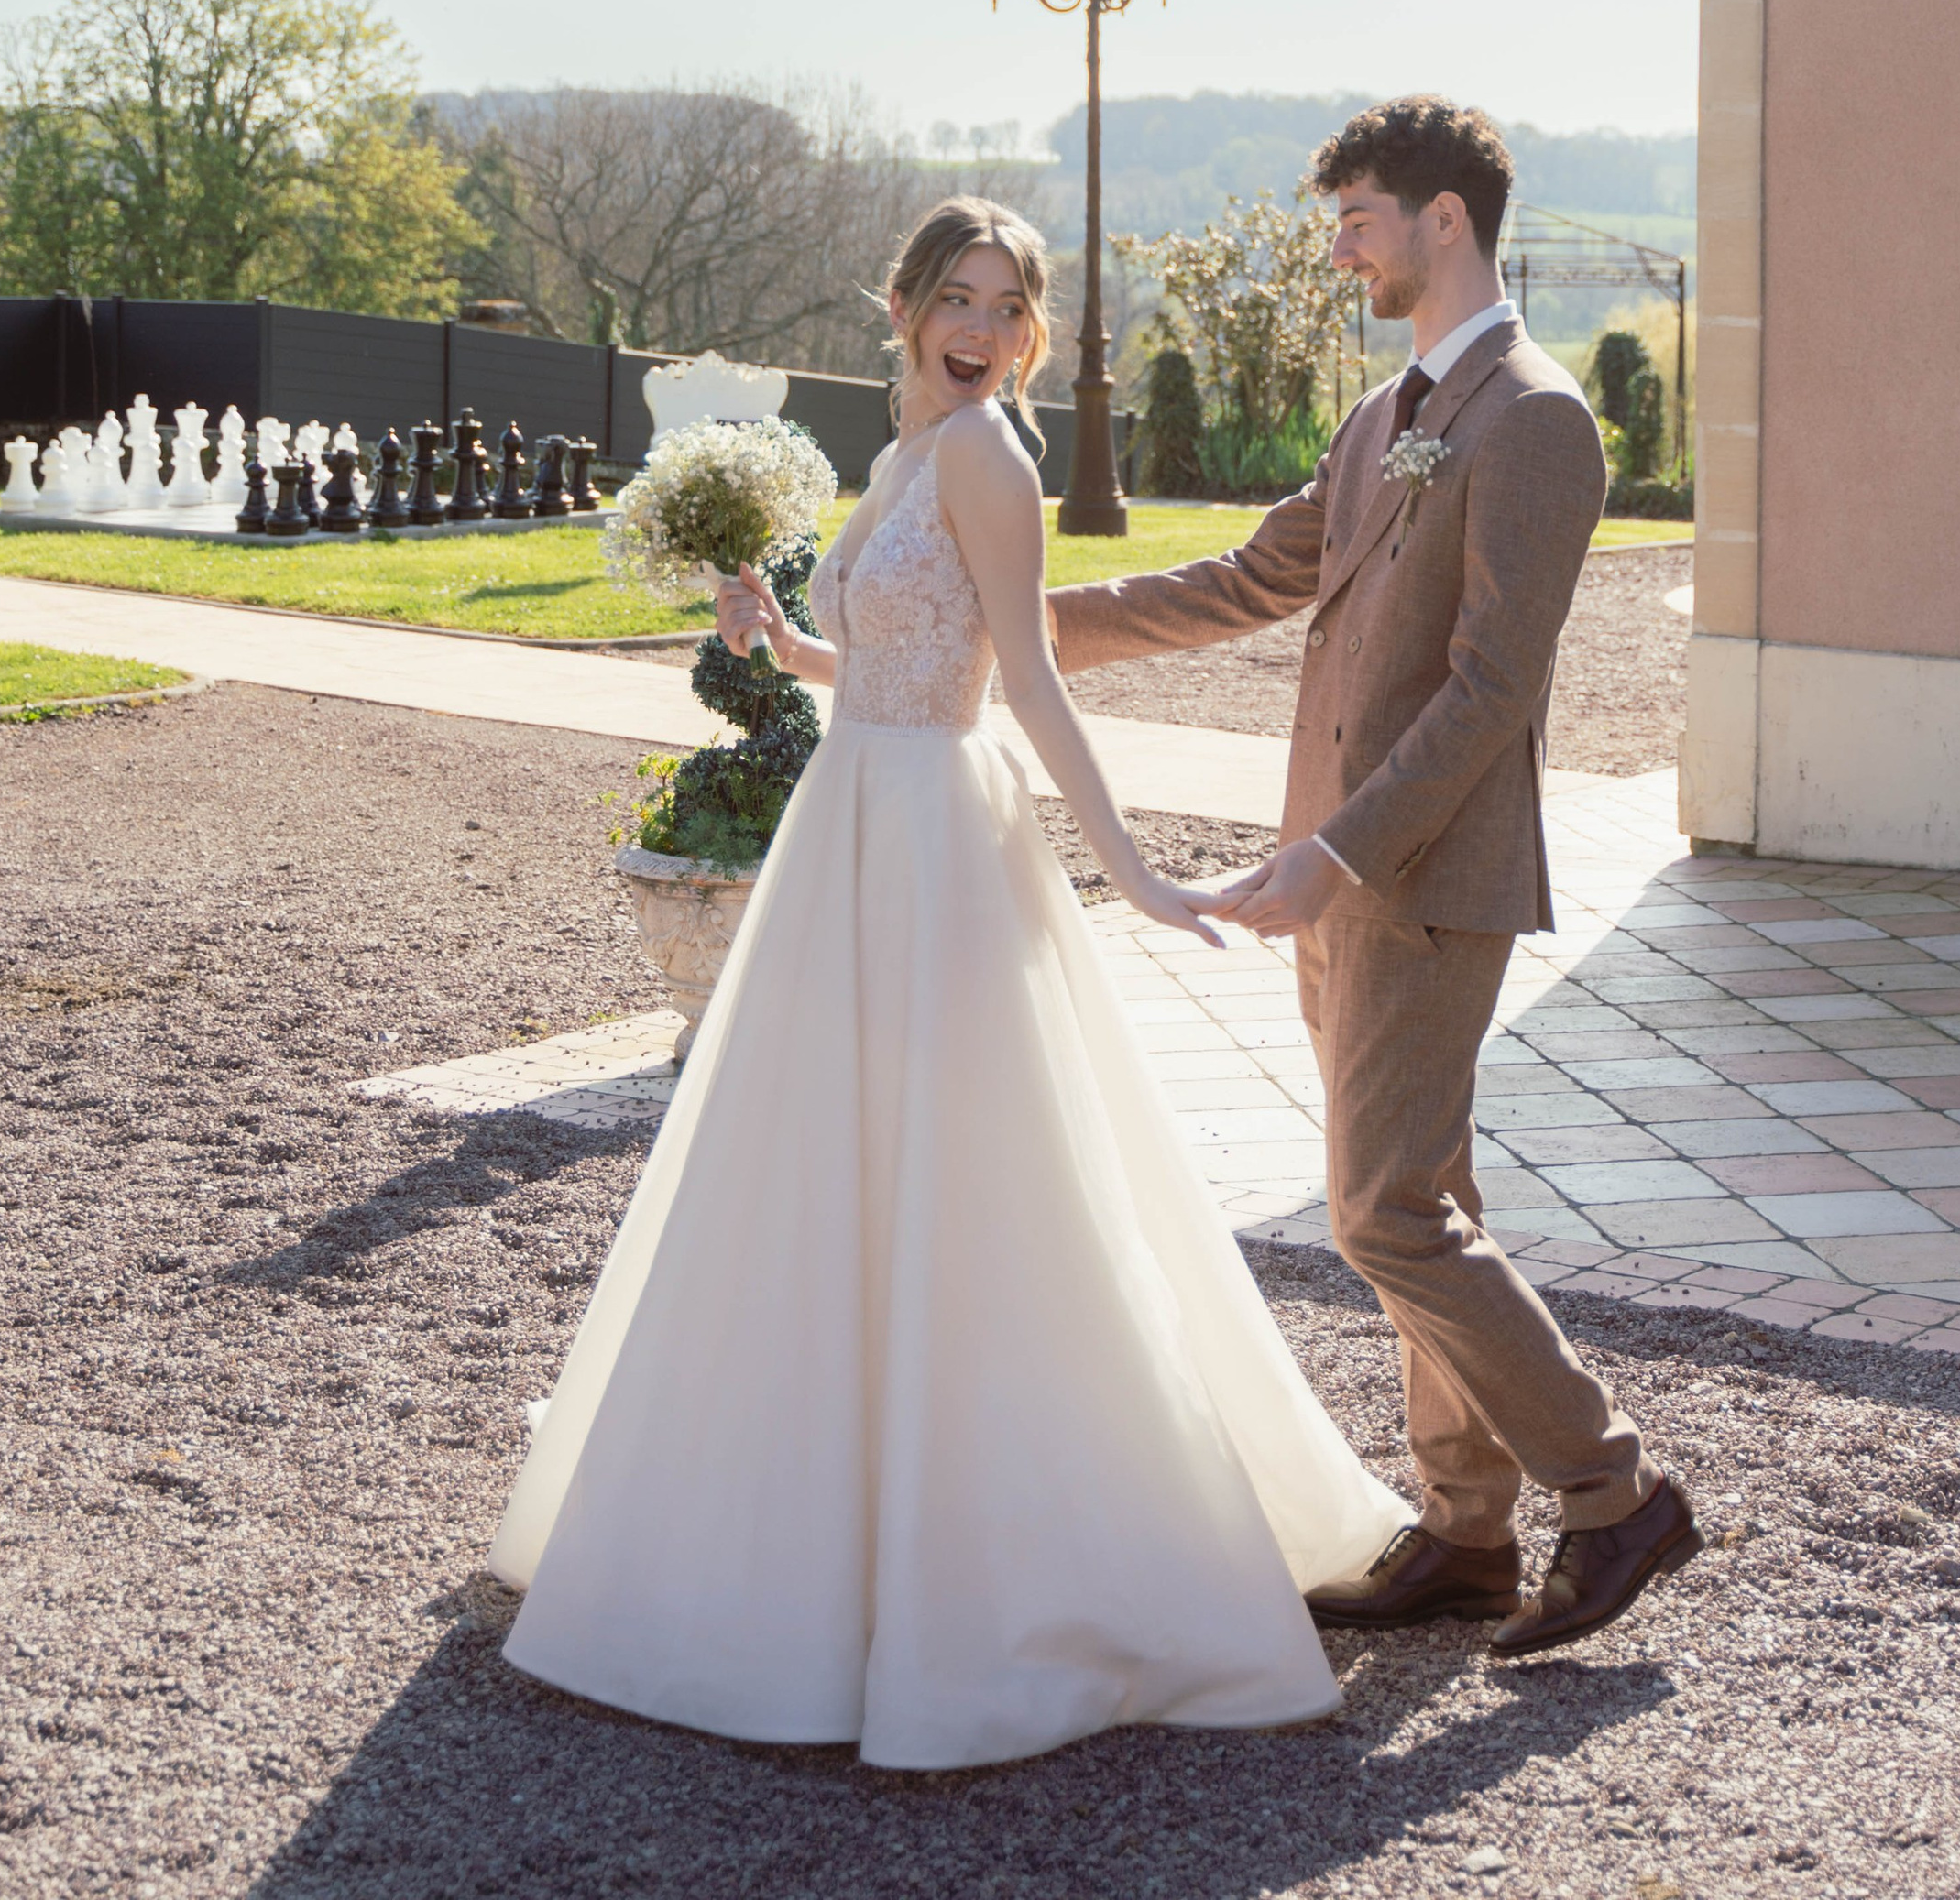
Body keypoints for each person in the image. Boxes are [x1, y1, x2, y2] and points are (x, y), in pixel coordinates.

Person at [487, 195, 1405, 1772]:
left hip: (937, 846)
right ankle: (815, 1557)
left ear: (1029, 331)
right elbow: (910, 662)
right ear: (905, 306)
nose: (979, 329)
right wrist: (787, 641)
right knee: (824, 1181)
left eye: (1007, 306)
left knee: (971, 1193)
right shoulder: (908, 453)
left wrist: (1129, 871)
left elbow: (1025, 677)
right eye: (956, 299)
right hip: (852, 820)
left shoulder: (988, 455)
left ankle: (1004, 1579)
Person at [1048, 98, 1700, 1658]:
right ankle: (1469, 1537)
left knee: (1382, 1212)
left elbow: (1490, 689)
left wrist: (1338, 852)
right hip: (1333, 878)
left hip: (1417, 879)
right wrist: (1019, 619)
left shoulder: (1539, 419)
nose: (1339, 245)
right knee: (1429, 1193)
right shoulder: (1386, 415)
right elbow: (1249, 580)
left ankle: (1616, 1498)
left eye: (1356, 218)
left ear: (1444, 222)